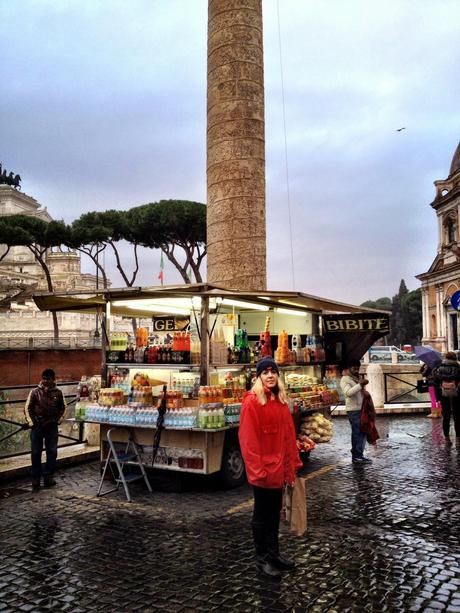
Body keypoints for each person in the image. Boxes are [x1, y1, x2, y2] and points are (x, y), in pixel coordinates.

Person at [239, 357, 302, 580]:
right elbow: (248, 441)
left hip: (277, 470)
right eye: (265, 372)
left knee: (274, 513)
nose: (270, 375)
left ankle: (274, 555)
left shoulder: (279, 401)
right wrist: (258, 472)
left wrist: (291, 466)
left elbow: (287, 436)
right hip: (264, 472)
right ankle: (262, 560)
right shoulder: (252, 402)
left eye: (273, 371)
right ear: (258, 377)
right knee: (262, 515)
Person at [24, 368, 66, 490]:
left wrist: (57, 421)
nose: (46, 381)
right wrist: (32, 423)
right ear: (41, 379)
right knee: (36, 452)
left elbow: (63, 407)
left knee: (52, 452)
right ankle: (36, 478)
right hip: (37, 427)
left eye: (48, 379)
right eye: (44, 378)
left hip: (51, 427)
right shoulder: (34, 392)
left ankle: (49, 477)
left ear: (53, 379)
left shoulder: (59, 393)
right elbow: (27, 408)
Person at [340, 359, 372, 464]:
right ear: (349, 369)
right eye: (354, 368)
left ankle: (359, 454)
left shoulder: (357, 378)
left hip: (361, 409)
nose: (356, 370)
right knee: (357, 433)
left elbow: (359, 393)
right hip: (353, 410)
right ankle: (356, 456)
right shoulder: (345, 380)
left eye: (358, 368)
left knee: (362, 432)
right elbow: (348, 393)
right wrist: (360, 385)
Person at [432, 351, 460, 445]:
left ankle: (447, 438)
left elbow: (435, 380)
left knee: (446, 416)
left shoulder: (439, 368)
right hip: (457, 393)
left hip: (443, 393)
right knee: (457, 416)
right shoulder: (458, 367)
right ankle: (458, 439)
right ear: (454, 358)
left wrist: (441, 386)